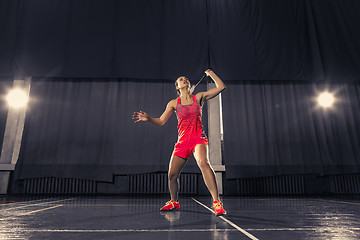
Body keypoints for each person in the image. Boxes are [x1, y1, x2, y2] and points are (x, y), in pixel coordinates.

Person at [133, 69, 226, 216]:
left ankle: (217, 202)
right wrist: (149, 118)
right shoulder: (173, 103)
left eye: (186, 78)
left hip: (198, 138)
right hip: (182, 142)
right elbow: (161, 121)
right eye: (181, 79)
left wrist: (211, 74)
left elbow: (221, 87)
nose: (184, 79)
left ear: (189, 84)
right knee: (171, 175)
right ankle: (174, 202)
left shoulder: (199, 97)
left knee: (203, 162)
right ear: (177, 86)